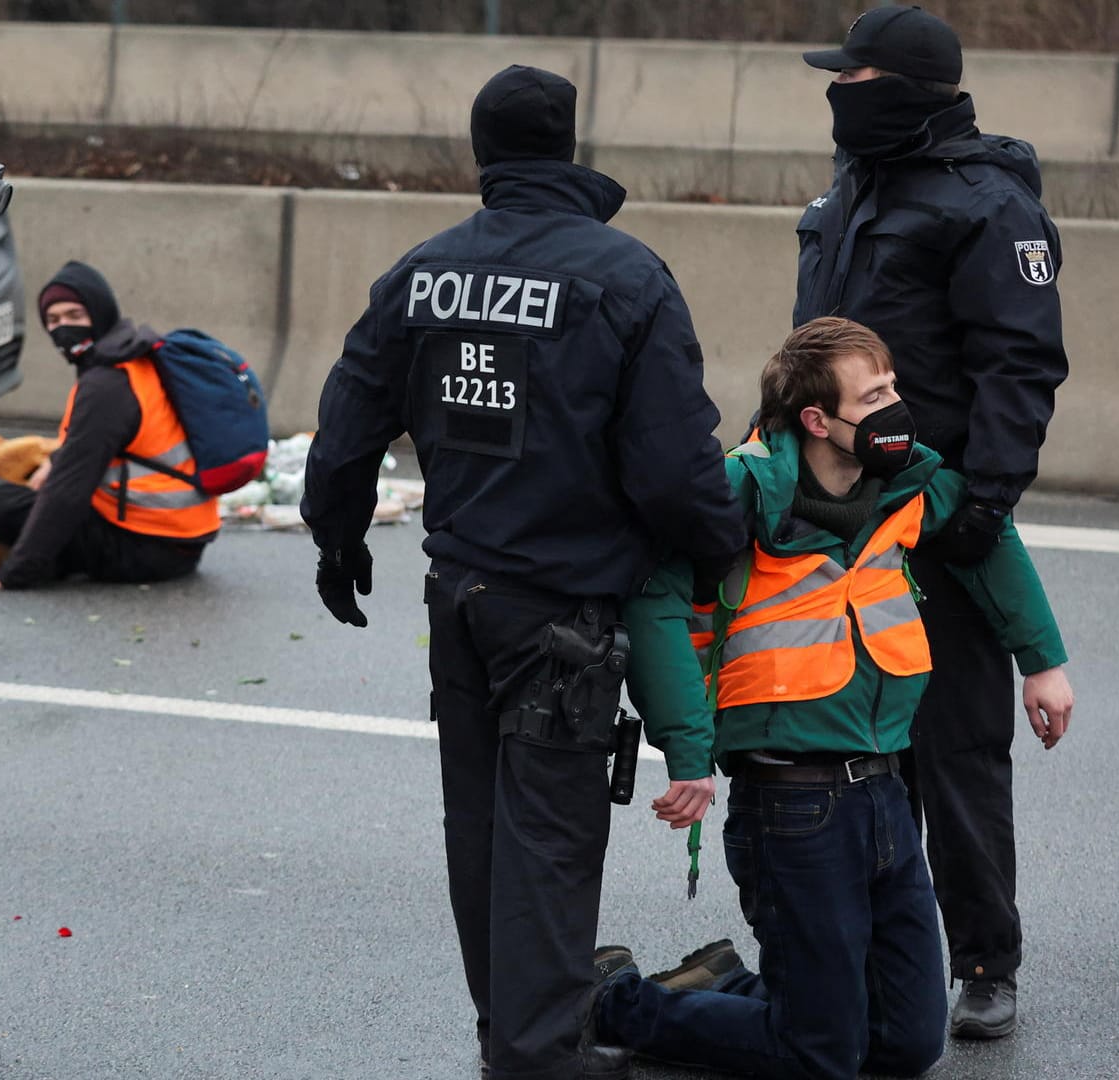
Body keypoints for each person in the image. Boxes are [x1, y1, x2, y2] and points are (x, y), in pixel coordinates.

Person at [301, 65, 744, 1080]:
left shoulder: (424, 272)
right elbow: (676, 465)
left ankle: (509, 1028)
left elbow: (348, 417)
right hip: (561, 612)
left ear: (482, 154)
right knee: (549, 837)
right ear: (569, 145)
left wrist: (338, 535)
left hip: (458, 597)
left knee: (482, 829)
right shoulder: (627, 278)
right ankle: (538, 1057)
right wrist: (720, 556)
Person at [592, 317, 1074, 1080]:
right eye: (872, 395)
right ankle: (610, 1001)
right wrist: (686, 753)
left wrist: (1042, 661)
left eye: (892, 387)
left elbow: (989, 541)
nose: (894, 408)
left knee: (909, 1044)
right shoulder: (743, 491)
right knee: (823, 1057)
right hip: (790, 806)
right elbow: (655, 595)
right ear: (817, 420)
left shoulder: (906, 481)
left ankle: (727, 984)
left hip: (883, 791)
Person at [791, 4, 1072, 1039]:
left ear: (901, 89)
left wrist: (980, 510)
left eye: (852, 79)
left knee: (954, 750)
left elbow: (1020, 368)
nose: (835, 92)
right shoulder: (846, 194)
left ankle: (986, 957)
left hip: (939, 517)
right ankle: (876, 949)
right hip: (838, 523)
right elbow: (807, 357)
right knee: (852, 746)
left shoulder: (986, 206)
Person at [0, 261, 217, 593]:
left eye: (75, 316)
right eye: (54, 320)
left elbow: (68, 492)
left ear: (100, 312)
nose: (64, 328)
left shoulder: (106, 386)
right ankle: (40, 554)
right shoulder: (132, 361)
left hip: (148, 549)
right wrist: (55, 462)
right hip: (180, 538)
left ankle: (39, 560)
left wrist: (15, 575)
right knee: (28, 493)